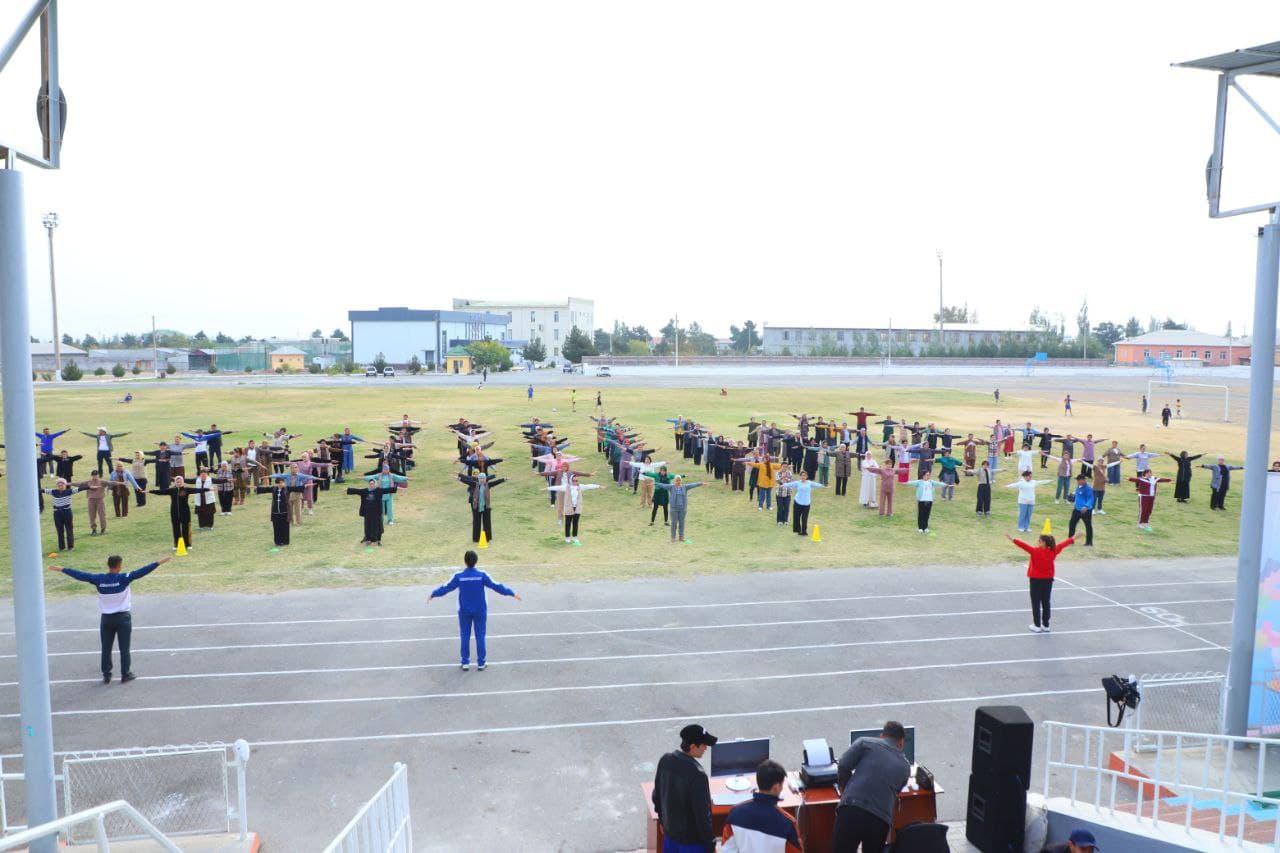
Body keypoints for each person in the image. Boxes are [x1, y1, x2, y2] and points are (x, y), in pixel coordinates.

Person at [49, 554, 172, 683]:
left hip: (106, 619)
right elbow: (141, 571)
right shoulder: (124, 578)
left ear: (108, 565)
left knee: (106, 648)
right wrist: (158, 562)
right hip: (123, 619)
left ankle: (106, 674)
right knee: (124, 648)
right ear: (119, 566)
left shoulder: (99, 579)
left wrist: (62, 569)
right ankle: (125, 674)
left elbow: (81, 575)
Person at [428, 550, 520, 670]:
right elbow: (497, 586)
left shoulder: (459, 576)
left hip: (464, 610)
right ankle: (481, 663)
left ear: (465, 561)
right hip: (480, 610)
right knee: (480, 635)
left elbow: (446, 588)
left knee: (465, 635)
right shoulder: (482, 575)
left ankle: (465, 662)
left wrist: (433, 594)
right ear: (476, 561)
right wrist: (511, 593)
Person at [834, 721, 912, 853]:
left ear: (882, 736)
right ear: (902, 742)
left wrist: (845, 790)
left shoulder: (864, 742)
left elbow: (843, 765)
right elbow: (896, 791)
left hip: (851, 810)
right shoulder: (905, 767)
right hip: (879, 819)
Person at [652, 724, 718, 853]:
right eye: (704, 745)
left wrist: (662, 820)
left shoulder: (665, 760)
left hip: (670, 837)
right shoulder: (698, 775)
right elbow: (702, 815)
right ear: (693, 746)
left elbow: (657, 796)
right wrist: (711, 844)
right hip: (692, 844)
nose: (706, 748)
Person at [720, 759, 801, 853]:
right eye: (782, 784)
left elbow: (727, 850)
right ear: (776, 787)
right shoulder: (788, 823)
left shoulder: (735, 813)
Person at [1008, 532, 1074, 633]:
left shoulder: (1035, 551)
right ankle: (1046, 625)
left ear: (1044, 543)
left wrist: (1013, 539)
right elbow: (1063, 544)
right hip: (1048, 580)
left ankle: (1037, 625)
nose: (1038, 541)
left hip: (1036, 580)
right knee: (1046, 602)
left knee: (1036, 603)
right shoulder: (1053, 551)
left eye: (1040, 540)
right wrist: (1073, 538)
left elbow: (1024, 546)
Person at [548, 475, 601, 544]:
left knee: (575, 523)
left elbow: (589, 486)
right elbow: (557, 487)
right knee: (568, 523)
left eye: (576, 480)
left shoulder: (580, 486)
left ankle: (575, 537)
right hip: (569, 507)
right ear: (571, 480)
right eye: (574, 480)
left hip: (577, 507)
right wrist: (548, 488)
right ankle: (567, 538)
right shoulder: (566, 487)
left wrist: (598, 486)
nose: (575, 482)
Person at [458, 471, 506, 543]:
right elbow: (467, 481)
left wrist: (504, 479)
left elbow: (496, 482)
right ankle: (476, 539)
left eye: (483, 478)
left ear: (485, 479)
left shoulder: (488, 485)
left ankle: (488, 538)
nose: (482, 480)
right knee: (476, 523)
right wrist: (459, 479)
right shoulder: (475, 484)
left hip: (486, 507)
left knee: (487, 523)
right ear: (478, 479)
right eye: (480, 478)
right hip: (476, 507)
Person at [346, 478, 397, 545]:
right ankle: (368, 540)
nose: (371, 485)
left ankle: (378, 540)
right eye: (370, 484)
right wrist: (347, 489)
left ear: (375, 484)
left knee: (378, 527)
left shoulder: (378, 490)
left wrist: (396, 488)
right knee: (368, 527)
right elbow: (357, 491)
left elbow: (388, 490)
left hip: (376, 513)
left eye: (373, 484)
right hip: (368, 513)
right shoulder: (365, 491)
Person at [42, 478, 88, 551]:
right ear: (57, 486)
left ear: (65, 485)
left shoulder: (69, 491)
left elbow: (80, 489)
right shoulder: (53, 492)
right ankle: (62, 547)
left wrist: (90, 487)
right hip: (57, 513)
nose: (61, 486)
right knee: (59, 530)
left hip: (67, 512)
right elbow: (43, 490)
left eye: (62, 485)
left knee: (69, 529)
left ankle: (70, 547)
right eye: (59, 485)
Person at [656, 476, 703, 543]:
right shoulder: (671, 487)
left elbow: (693, 485)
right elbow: (663, 485)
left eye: (679, 480)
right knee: (674, 523)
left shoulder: (685, 487)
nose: (678, 482)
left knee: (682, 523)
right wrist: (655, 483)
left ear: (681, 481)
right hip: (674, 509)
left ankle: (681, 537)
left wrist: (700, 483)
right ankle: (673, 537)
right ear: (675, 481)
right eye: (677, 480)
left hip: (682, 509)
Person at [256, 479, 302, 547]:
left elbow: (296, 488)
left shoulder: (287, 488)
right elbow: (265, 489)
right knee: (276, 527)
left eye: (282, 483)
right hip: (275, 512)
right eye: (279, 483)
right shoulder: (274, 489)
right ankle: (278, 542)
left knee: (285, 527)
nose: (281, 484)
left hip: (285, 512)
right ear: (276, 484)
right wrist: (256, 488)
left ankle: (285, 541)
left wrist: (305, 486)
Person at [783, 470, 824, 536]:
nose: (803, 477)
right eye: (802, 475)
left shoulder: (809, 483)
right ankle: (798, 530)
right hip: (798, 503)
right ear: (800, 476)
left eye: (804, 475)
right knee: (796, 517)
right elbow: (790, 484)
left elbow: (817, 485)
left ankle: (804, 531)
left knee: (804, 518)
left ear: (807, 476)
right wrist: (783, 485)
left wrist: (823, 486)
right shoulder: (797, 483)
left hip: (806, 504)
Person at [1068, 473, 1095, 546]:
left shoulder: (1088, 488)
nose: (1078, 481)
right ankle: (1070, 540)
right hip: (1077, 510)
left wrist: (1086, 506)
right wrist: (1072, 496)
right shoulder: (1079, 487)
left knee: (1088, 526)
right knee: (1072, 524)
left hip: (1086, 511)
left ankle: (1089, 542)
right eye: (1077, 480)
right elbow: (1078, 494)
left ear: (1083, 480)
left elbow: (1091, 499)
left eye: (1079, 480)